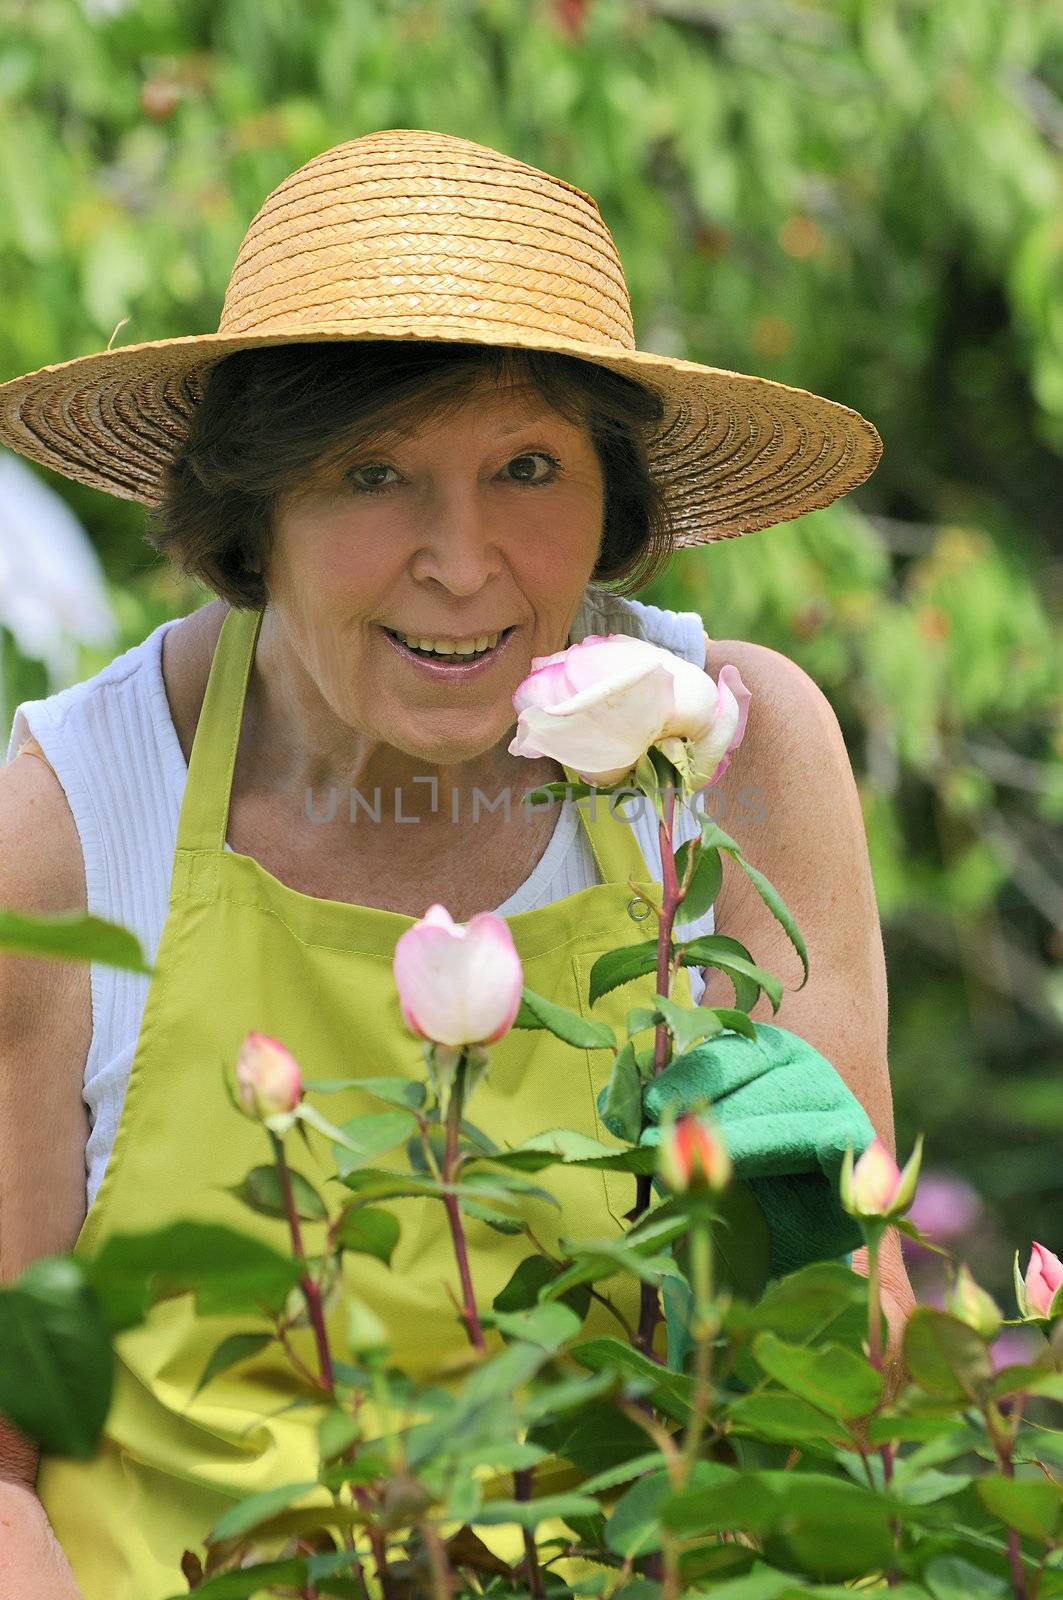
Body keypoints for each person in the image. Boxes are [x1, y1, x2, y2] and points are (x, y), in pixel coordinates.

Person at [0, 128, 913, 1599]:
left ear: (613, 499)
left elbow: (850, 1414)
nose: (463, 558)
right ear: (255, 511)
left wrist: (808, 1248)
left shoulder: (734, 761)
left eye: (529, 466)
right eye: (374, 472)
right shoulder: (69, 832)